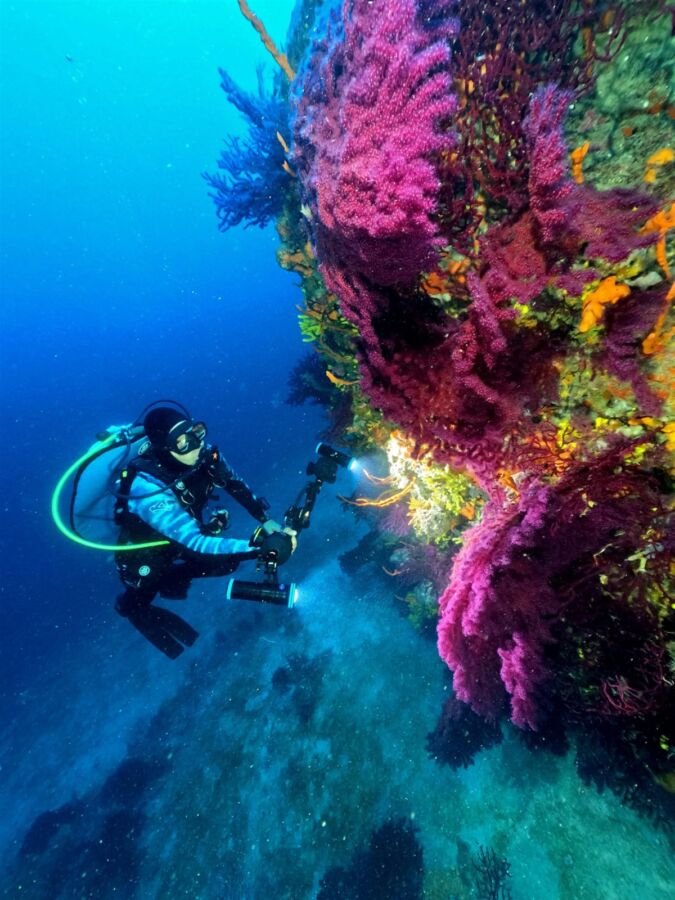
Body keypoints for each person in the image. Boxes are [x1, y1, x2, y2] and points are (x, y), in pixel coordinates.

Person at [114, 405, 295, 658]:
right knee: (146, 586)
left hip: (183, 537)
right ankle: (130, 605)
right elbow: (196, 543)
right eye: (182, 442)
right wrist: (259, 548)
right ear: (164, 448)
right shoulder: (146, 486)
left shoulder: (205, 455)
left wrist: (265, 520)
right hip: (146, 555)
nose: (196, 445)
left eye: (195, 433)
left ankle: (171, 581)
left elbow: (234, 484)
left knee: (226, 564)